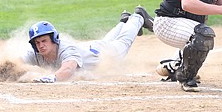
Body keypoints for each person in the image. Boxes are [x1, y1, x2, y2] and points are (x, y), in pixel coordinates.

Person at [21, 6, 154, 82]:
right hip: (92, 48)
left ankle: (138, 16)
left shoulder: (66, 50)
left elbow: (68, 68)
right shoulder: (36, 53)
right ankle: (124, 22)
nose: (41, 45)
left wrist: (53, 78)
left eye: (44, 41)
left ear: (53, 39)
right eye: (37, 42)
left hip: (104, 55)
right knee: (107, 41)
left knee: (123, 42)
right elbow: (16, 62)